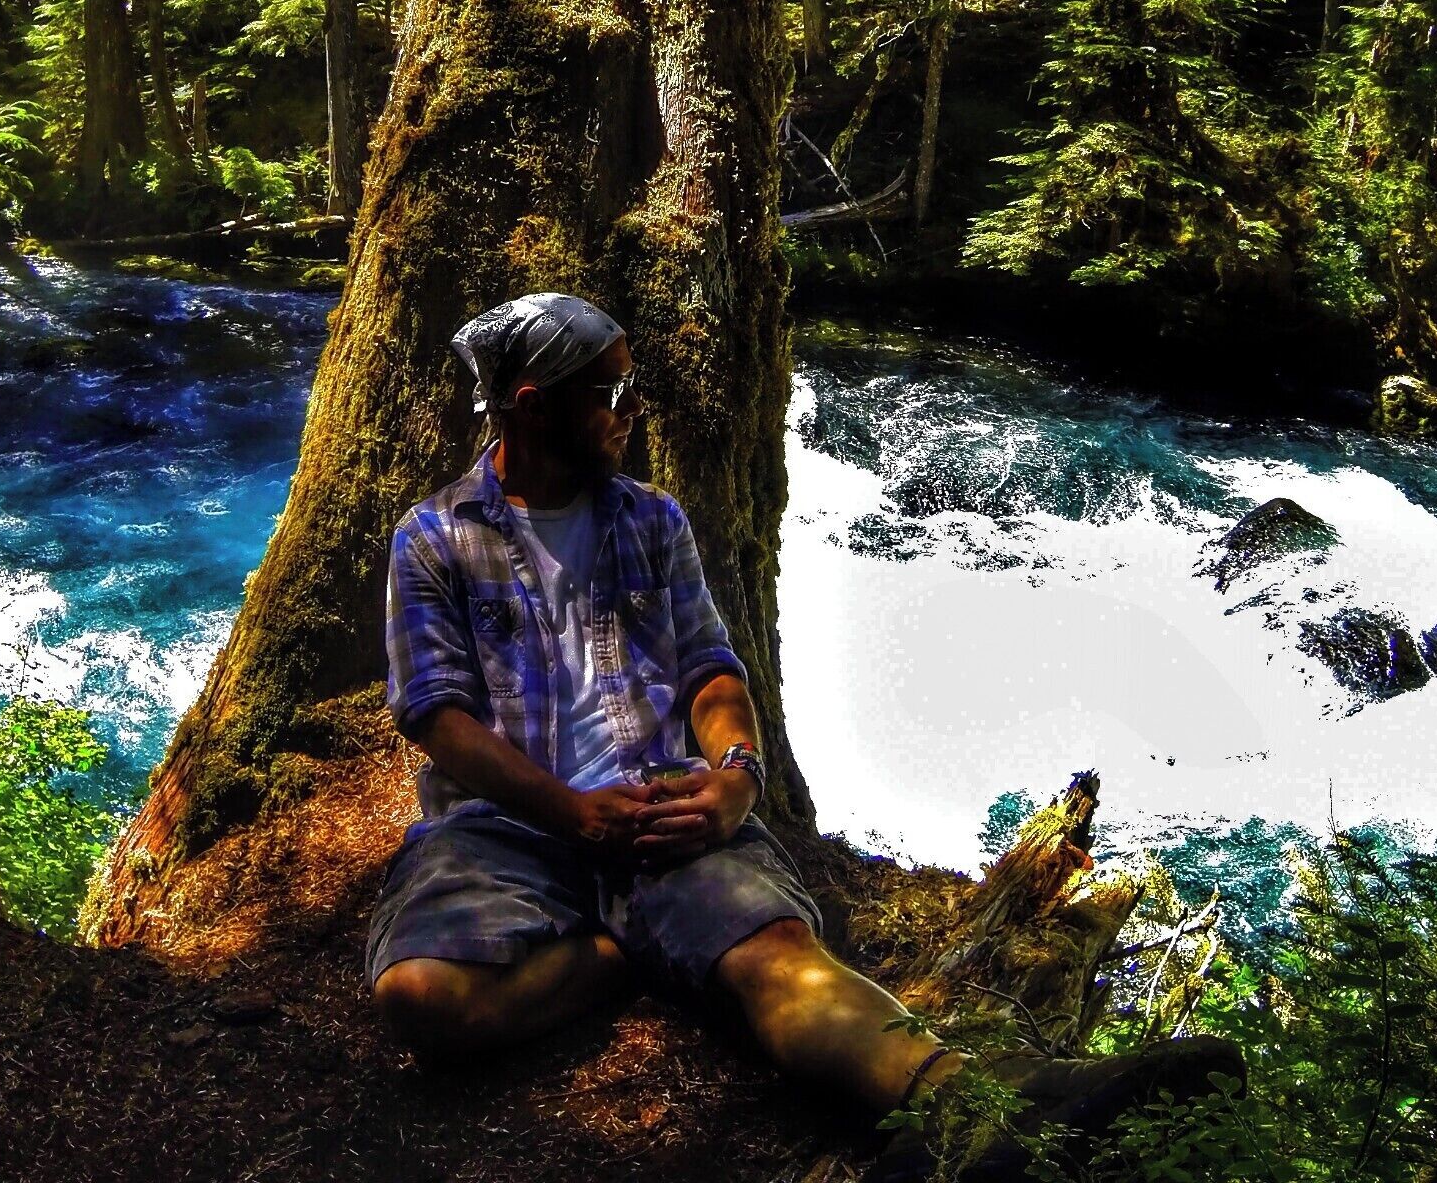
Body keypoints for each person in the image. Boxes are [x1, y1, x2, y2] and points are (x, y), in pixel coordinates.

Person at [367, 293, 1237, 1178]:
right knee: (421, 999)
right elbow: (440, 719)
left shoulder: (652, 520)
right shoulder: (434, 539)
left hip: (664, 803)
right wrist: (574, 815)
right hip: (510, 824)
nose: (633, 412)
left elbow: (711, 669)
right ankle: (638, 949)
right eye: (611, 393)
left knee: (781, 961)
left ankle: (966, 1105)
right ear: (530, 401)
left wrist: (736, 776)